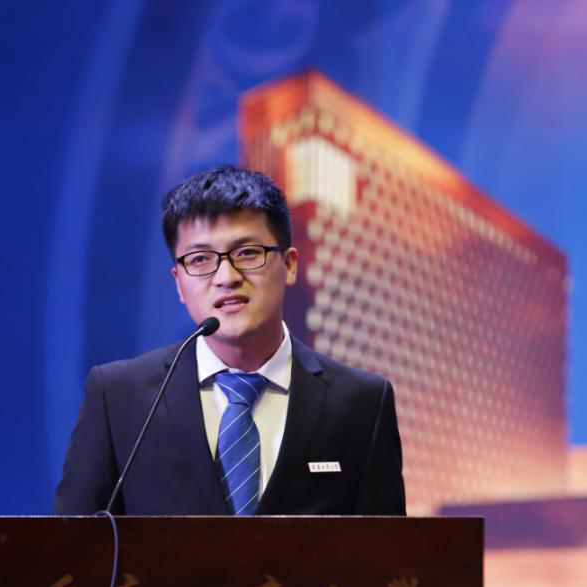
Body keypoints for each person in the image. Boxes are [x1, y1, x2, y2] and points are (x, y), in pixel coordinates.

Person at [53, 165, 405, 516]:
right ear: (178, 283)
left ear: (290, 265)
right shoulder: (119, 396)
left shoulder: (362, 403)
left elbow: (388, 547)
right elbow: (73, 542)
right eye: (200, 259)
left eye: (247, 253)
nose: (226, 277)